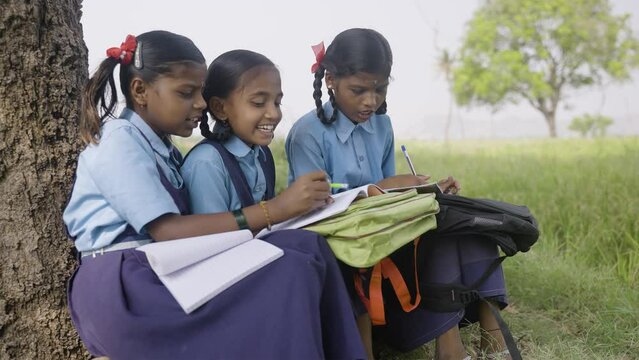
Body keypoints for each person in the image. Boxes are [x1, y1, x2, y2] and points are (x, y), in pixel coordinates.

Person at [63, 32, 366, 359]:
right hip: (125, 290)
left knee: (307, 246)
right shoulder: (119, 141)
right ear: (140, 91)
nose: (201, 103)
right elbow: (167, 231)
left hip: (159, 270)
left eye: (200, 92)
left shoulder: (161, 146)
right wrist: (275, 209)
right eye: (186, 92)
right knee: (287, 269)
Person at [285, 28, 512, 360]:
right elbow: (311, 209)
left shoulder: (381, 124)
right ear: (330, 80)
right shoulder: (308, 133)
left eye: (379, 89)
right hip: (343, 243)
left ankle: (494, 340)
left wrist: (423, 191)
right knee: (439, 240)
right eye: (359, 90)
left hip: (384, 229)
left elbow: (391, 195)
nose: (370, 101)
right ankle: (449, 349)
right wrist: (376, 191)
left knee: (463, 225)